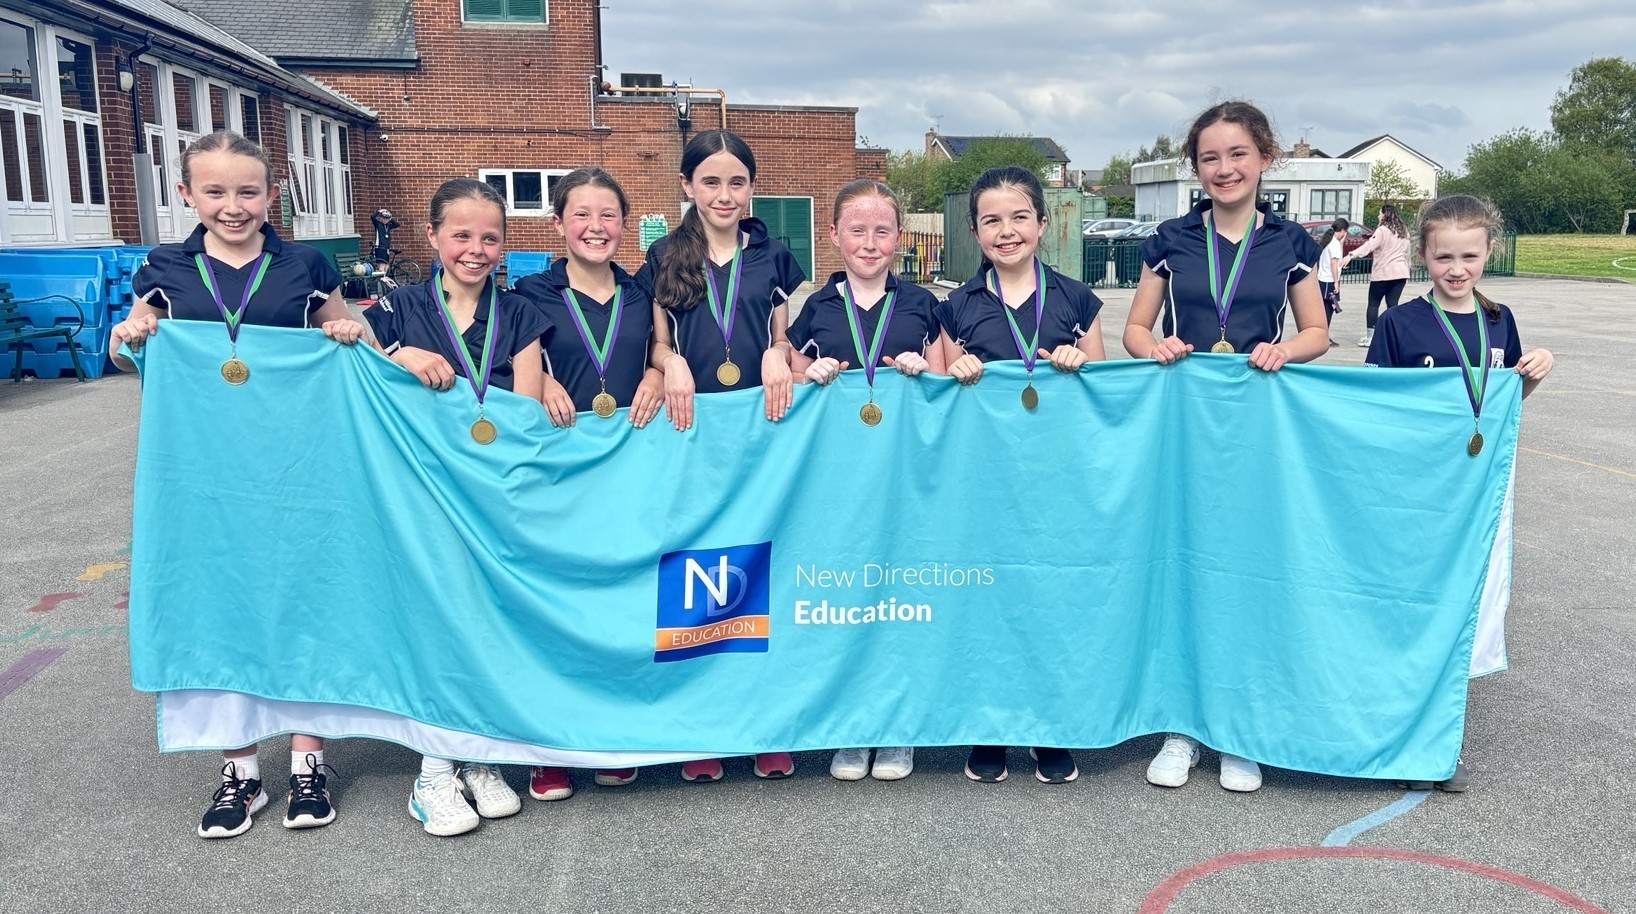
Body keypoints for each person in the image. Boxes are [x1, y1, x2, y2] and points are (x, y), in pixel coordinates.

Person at [110, 130, 367, 838]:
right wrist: (129, 331)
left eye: (248, 191)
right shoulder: (166, 267)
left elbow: (349, 337)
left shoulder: (306, 265)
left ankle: (309, 761)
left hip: (302, 467)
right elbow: (134, 339)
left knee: (305, 594)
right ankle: (242, 773)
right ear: (187, 194)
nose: (233, 206)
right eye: (216, 192)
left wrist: (347, 331)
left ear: (272, 194)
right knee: (218, 603)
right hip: (207, 476)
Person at [1122, 100, 1330, 793]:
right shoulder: (1170, 239)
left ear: (1265, 157)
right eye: (1210, 157)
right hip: (1184, 426)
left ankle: (1241, 729)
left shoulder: (1292, 243)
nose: (1224, 168)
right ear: (1196, 168)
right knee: (1185, 566)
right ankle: (1183, 726)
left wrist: (1284, 350)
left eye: (1238, 153)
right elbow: (1135, 332)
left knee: (1248, 569)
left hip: (1256, 428)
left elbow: (1317, 333)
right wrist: (1159, 347)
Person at [364, 177, 550, 836]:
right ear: (434, 236)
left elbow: (524, 408)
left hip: (493, 491)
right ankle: (433, 772)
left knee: (487, 622)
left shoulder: (521, 312)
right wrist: (397, 350)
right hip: (424, 491)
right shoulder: (398, 309)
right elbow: (344, 343)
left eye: (490, 237)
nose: (476, 249)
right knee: (439, 620)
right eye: (462, 235)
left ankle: (478, 755)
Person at [1365, 194, 1553, 791]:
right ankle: (1383, 727)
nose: (1456, 268)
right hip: (1412, 491)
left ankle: (1433, 742)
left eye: (1469, 255)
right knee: (1405, 604)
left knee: (1458, 607)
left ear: (1488, 252)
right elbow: (1372, 408)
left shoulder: (1501, 321)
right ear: (1422, 255)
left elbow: (1501, 407)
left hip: (1473, 493)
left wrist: (1532, 376)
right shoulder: (1399, 324)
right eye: (1444, 255)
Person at [637, 128, 806, 782]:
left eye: (737, 182)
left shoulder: (774, 259)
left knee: (761, 580)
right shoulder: (663, 256)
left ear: (751, 188)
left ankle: (765, 726)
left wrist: (778, 353)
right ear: (687, 186)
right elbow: (654, 344)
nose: (724, 194)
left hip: (759, 439)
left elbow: (786, 345)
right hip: (691, 437)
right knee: (698, 583)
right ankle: (702, 728)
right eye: (710, 181)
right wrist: (670, 360)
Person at [934, 165, 1107, 785]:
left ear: (1042, 222)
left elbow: (1103, 388)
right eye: (991, 221)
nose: (1007, 232)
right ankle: (989, 727)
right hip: (984, 483)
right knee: (986, 601)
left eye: (1018, 218)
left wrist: (1080, 358)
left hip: (1055, 483)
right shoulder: (956, 306)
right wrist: (952, 370)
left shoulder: (1076, 298)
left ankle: (1050, 725)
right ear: (975, 230)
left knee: (1051, 601)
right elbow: (936, 398)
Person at [788, 178, 946, 781]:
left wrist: (919, 369)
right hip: (840, 482)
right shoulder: (818, 308)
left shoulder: (921, 305)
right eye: (857, 230)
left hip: (904, 478)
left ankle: (899, 729)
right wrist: (811, 370)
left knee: (903, 601)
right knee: (847, 602)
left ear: (899, 239)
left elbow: (943, 387)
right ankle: (853, 726)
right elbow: (795, 374)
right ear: (834, 236)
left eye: (882, 231)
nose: (870, 242)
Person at [512, 166, 659, 800]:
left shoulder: (640, 291)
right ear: (557, 223)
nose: (596, 227)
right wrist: (542, 381)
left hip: (630, 467)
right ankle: (553, 744)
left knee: (622, 605)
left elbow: (658, 349)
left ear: (623, 226)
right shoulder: (528, 292)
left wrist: (659, 371)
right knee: (560, 604)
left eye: (608, 216)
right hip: (561, 471)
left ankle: (616, 731)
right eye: (582, 215)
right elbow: (512, 361)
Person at [1344, 203, 1411, 348]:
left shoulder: (1382, 230)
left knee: (1374, 304)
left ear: (1385, 214)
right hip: (1400, 273)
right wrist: (1408, 268)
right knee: (1393, 305)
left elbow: (1369, 246)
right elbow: (1408, 252)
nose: (1378, 216)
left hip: (1383, 273)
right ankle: (1394, 336)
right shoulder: (1404, 231)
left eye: (1380, 213)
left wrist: (1351, 255)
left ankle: (1370, 337)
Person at [1315, 217, 1348, 346]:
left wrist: (1342, 241)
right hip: (1329, 280)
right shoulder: (1333, 244)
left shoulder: (1329, 241)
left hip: (1322, 279)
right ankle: (1324, 337)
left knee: (1324, 309)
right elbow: (1334, 263)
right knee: (1328, 310)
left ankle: (1322, 336)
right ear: (1343, 230)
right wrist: (1336, 282)